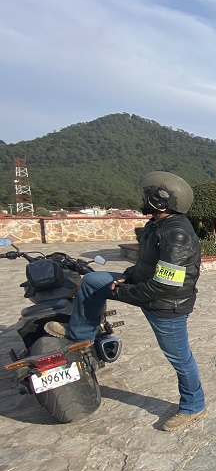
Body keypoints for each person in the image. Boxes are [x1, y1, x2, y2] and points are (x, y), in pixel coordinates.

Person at [45, 171, 206, 431]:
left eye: (146, 195)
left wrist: (122, 293)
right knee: (92, 281)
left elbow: (164, 285)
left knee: (180, 358)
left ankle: (193, 405)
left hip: (166, 305)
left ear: (160, 201)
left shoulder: (176, 235)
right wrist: (127, 277)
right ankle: (79, 334)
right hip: (144, 288)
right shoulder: (157, 225)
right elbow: (146, 265)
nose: (142, 199)